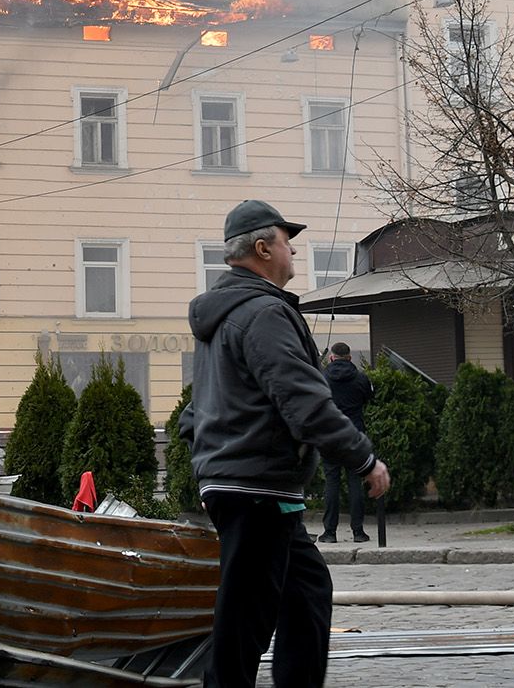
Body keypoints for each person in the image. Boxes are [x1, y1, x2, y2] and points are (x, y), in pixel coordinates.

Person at [185, 200, 390, 688]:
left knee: (305, 591)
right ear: (261, 248)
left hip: (245, 483)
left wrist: (209, 461)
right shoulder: (262, 314)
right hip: (257, 487)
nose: (292, 248)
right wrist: (363, 459)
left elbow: (194, 412)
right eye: (285, 239)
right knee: (244, 622)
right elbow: (305, 402)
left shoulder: (227, 314)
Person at [318, 342, 373, 544]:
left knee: (331, 483)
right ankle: (358, 531)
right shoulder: (361, 378)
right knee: (355, 483)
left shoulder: (322, 379)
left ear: (331, 357)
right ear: (350, 358)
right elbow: (368, 398)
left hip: (330, 436)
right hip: (355, 435)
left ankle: (330, 532)